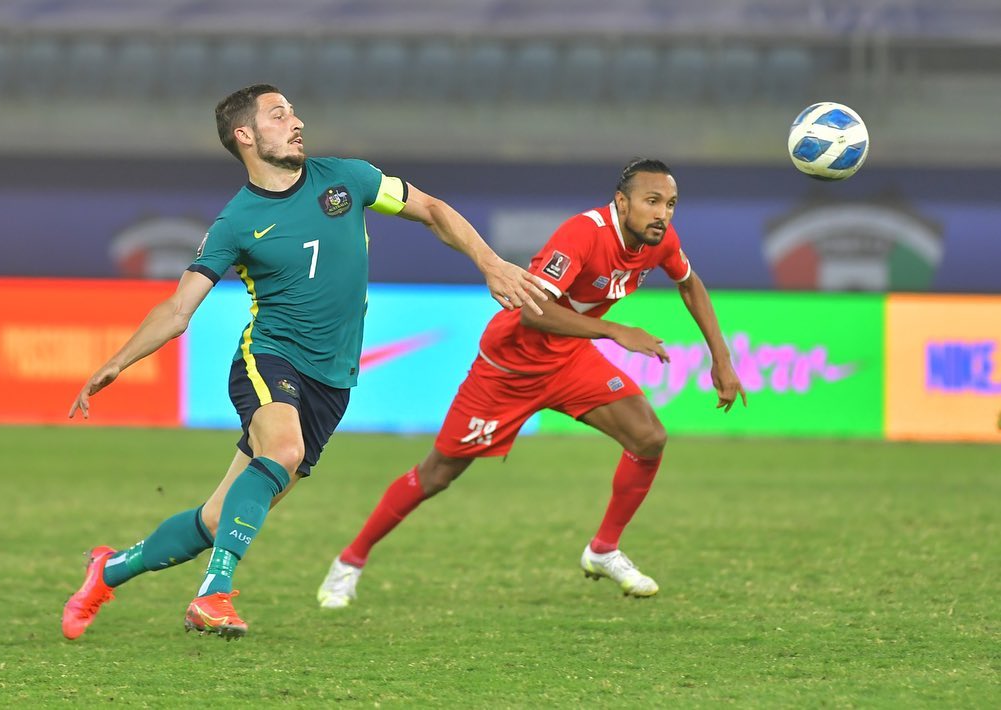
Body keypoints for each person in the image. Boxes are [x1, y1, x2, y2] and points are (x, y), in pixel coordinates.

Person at [61, 83, 547, 641]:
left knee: (220, 519)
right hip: (270, 357)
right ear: (245, 136)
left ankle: (108, 570)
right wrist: (117, 361)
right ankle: (213, 594)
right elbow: (177, 310)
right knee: (284, 451)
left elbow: (432, 210)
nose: (296, 122)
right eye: (278, 115)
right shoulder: (235, 223)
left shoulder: (349, 178)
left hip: (333, 381)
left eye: (293, 112)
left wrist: (489, 263)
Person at [317, 158, 747, 608]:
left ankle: (603, 550)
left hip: (569, 360)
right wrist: (614, 331)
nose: (662, 214)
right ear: (622, 202)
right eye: (652, 201)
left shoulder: (660, 241)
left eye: (671, 204)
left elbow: (690, 283)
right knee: (437, 474)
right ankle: (349, 561)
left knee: (649, 437)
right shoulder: (583, 235)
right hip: (510, 368)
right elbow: (531, 310)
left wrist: (722, 359)